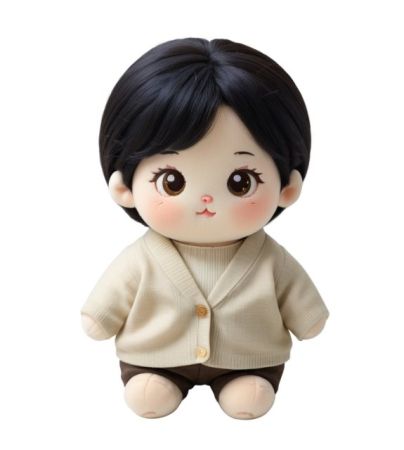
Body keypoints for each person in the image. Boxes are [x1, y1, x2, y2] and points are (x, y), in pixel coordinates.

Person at [81, 37, 329, 420]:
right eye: (172, 182)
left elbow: (304, 310)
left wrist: (308, 318)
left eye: (241, 182)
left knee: (249, 396)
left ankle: (243, 383)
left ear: (288, 188)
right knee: (150, 394)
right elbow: (105, 309)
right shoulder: (140, 261)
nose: (207, 200)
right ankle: (155, 381)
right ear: (124, 188)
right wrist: (100, 317)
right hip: (153, 358)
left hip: (250, 360)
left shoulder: (271, 261)